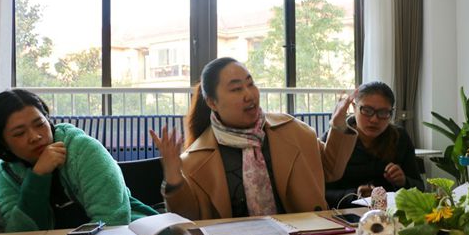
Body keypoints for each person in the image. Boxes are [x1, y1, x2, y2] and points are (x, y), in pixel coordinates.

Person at [151, 57, 358, 220]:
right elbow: (187, 221)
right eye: (236, 89)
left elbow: (330, 170)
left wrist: (338, 127)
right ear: (212, 102)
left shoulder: (293, 132)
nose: (249, 95)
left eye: (251, 84)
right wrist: (174, 177)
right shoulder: (195, 161)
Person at [0, 90, 157, 233]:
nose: (35, 136)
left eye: (40, 124)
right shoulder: (4, 174)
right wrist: (38, 176)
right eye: (19, 133)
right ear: (2, 142)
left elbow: (113, 219)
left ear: (48, 120)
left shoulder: (83, 149)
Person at [321, 81, 424, 207]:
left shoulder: (399, 138)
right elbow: (320, 192)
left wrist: (403, 181)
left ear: (391, 113)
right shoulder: (336, 139)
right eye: (367, 110)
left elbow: (420, 187)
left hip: (389, 214)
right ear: (354, 108)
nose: (374, 119)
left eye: (383, 112)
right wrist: (355, 194)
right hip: (343, 213)